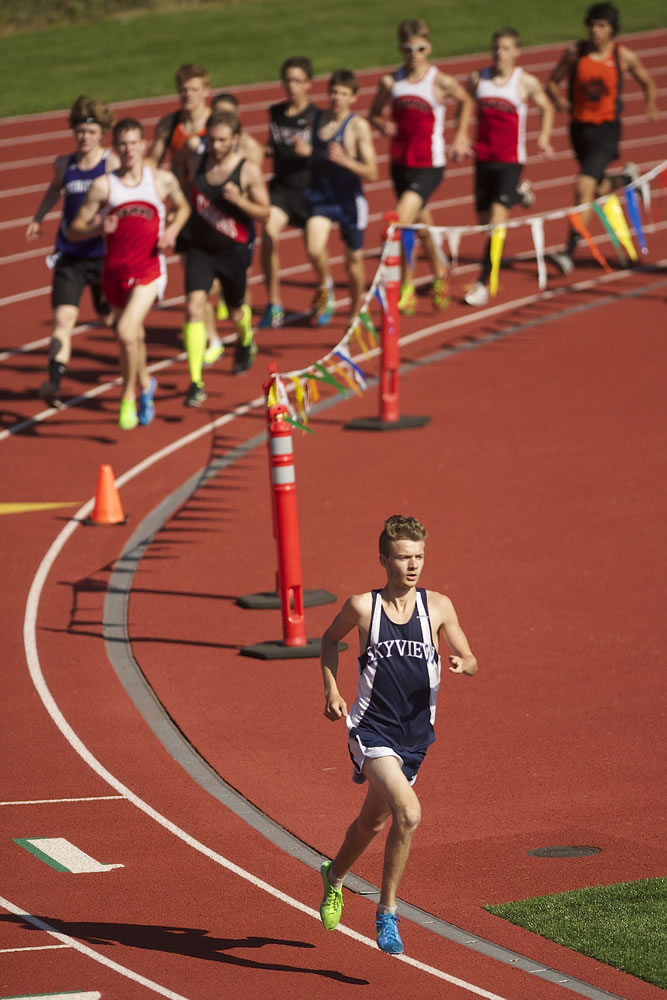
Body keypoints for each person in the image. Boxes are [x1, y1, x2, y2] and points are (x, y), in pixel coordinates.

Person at [318, 514, 478, 954]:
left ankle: (334, 876)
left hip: (414, 739)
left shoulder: (439, 606)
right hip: (370, 730)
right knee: (408, 813)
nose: (413, 566)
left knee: (373, 820)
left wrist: (464, 663)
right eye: (404, 557)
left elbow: (469, 653)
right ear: (384, 559)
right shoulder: (362, 607)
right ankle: (387, 912)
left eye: (419, 557)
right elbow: (329, 641)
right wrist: (332, 689)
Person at [69, 118, 190, 430]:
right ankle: (147, 385)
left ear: (143, 145)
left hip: (149, 270)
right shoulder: (104, 186)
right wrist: (98, 227)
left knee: (125, 331)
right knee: (132, 337)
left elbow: (183, 206)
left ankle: (126, 397)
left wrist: (173, 229)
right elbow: (74, 230)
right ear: (115, 147)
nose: (128, 149)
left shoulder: (160, 180)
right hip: (114, 272)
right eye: (122, 144)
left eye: (133, 142)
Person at [369, 19, 473, 314]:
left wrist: (461, 134)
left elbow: (465, 101)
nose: (414, 53)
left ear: (429, 48)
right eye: (408, 48)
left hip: (429, 165)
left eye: (420, 48)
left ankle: (407, 285)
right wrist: (382, 124)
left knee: (401, 221)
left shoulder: (439, 81)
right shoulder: (392, 82)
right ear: (400, 49)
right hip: (400, 163)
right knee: (422, 226)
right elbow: (374, 113)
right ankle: (441, 275)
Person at [546, 2, 658, 275]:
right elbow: (551, 81)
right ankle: (624, 181)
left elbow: (647, 81)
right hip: (579, 130)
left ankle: (568, 252)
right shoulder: (576, 53)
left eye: (602, 26)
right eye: (593, 25)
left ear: (612, 30)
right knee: (595, 188)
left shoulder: (623, 56)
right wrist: (559, 100)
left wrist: (651, 104)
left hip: (606, 131)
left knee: (583, 186)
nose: (596, 31)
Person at [26, 96, 119, 406]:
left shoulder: (111, 163)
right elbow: (55, 188)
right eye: (79, 131)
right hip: (70, 256)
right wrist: (38, 217)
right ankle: (53, 382)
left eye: (90, 132)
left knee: (111, 321)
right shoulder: (64, 164)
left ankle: (132, 365)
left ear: (102, 133)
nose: (84, 138)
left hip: (105, 257)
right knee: (63, 321)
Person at [182, 109, 270, 405]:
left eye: (222, 140)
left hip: (232, 250)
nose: (215, 146)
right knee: (195, 306)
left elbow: (265, 211)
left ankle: (245, 338)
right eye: (211, 140)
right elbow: (185, 190)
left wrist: (239, 200)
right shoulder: (197, 160)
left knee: (235, 311)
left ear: (235, 140)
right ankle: (195, 381)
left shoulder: (246, 171)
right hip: (200, 248)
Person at [464, 27, 554, 307]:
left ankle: (484, 281)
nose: (499, 54)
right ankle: (519, 195)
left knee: (495, 222)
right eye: (496, 48)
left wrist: (543, 135)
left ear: (517, 52)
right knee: (482, 221)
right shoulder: (478, 79)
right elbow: (465, 105)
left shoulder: (524, 82)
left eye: (505, 48)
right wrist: (460, 134)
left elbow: (547, 107)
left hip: (510, 159)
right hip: (483, 158)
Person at [304, 69, 377, 325]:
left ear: (353, 98)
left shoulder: (357, 126)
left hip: (349, 201)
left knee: (353, 261)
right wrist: (309, 150)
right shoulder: (317, 118)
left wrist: (346, 160)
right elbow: (314, 152)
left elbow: (373, 172)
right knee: (314, 248)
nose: (337, 98)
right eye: (334, 92)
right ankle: (326, 286)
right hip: (321, 198)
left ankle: (356, 309)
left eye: (343, 94)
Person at [259, 56, 319, 329]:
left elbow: (329, 155)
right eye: (288, 80)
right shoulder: (276, 112)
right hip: (281, 189)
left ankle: (325, 289)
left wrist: (311, 152)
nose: (291, 86)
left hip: (309, 191)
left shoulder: (317, 117)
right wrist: (267, 150)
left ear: (308, 84)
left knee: (314, 250)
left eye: (297, 81)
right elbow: (273, 143)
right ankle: (274, 304)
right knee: (269, 236)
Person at [149, 64, 212, 185]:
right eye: (184, 89)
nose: (188, 94)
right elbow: (153, 162)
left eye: (194, 90)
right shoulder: (168, 124)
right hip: (183, 195)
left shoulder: (217, 122)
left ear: (206, 91)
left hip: (210, 195)